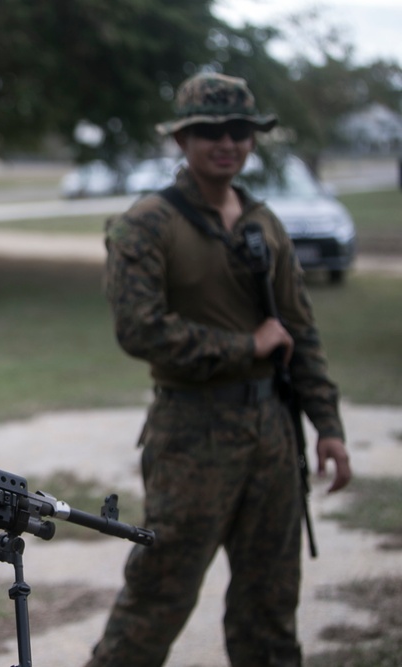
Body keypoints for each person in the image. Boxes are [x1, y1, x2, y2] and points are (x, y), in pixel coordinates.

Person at [86, 72, 352, 667]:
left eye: (239, 131)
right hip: (191, 436)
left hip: (274, 437)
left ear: (253, 139)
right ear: (182, 139)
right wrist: (245, 346)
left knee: (270, 605)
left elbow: (299, 331)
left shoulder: (265, 223)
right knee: (158, 597)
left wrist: (327, 426)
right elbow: (139, 330)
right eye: (209, 131)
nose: (225, 142)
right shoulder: (148, 224)